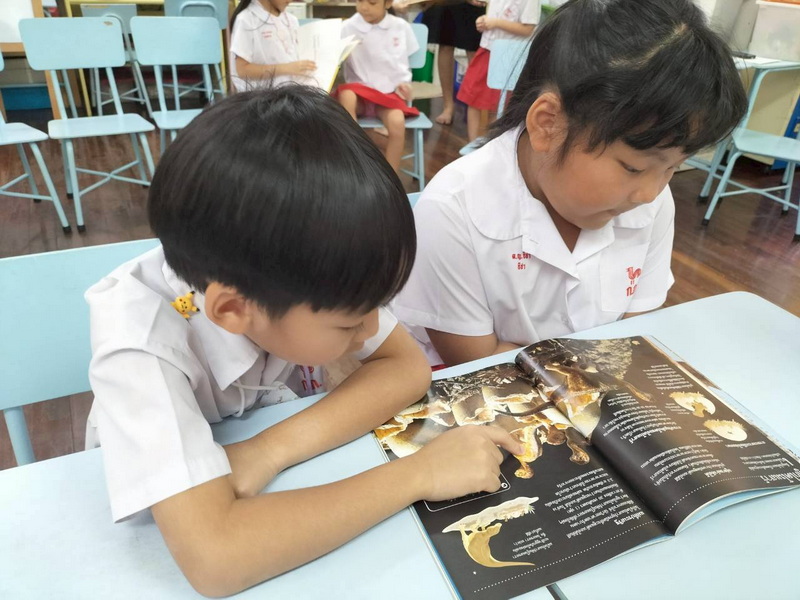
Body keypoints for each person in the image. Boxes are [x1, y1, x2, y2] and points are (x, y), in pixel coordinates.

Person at [85, 87, 522, 596]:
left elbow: (405, 365)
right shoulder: (140, 345)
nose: (370, 330)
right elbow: (215, 558)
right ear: (233, 310)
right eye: (349, 325)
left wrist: (268, 450)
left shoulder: (286, 274)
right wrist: (420, 475)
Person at [392, 0, 748, 367]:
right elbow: (477, 361)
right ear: (548, 125)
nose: (650, 194)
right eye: (632, 168)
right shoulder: (453, 210)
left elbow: (636, 328)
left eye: (672, 167)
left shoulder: (651, 200)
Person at [337, 0, 420, 173]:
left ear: (387, 3)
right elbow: (334, 59)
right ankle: (356, 163)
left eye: (372, 2)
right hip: (359, 93)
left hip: (388, 94)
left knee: (397, 122)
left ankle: (390, 178)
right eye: (359, 1)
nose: (364, 7)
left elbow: (404, 63)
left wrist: (405, 84)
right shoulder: (347, 27)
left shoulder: (401, 27)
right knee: (346, 95)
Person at [457, 0, 539, 141]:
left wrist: (496, 23)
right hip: (486, 48)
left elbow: (528, 29)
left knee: (497, 104)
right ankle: (472, 144)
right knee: (473, 97)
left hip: (506, 54)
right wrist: (484, 21)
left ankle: (489, 145)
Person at [421, 0, 486, 125]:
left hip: (473, 6)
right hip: (445, 3)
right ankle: (448, 106)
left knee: (474, 49)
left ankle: (476, 108)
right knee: (445, 44)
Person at [229, 0, 316, 92]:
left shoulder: (291, 20)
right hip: (261, 96)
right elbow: (242, 70)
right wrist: (287, 68)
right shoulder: (246, 20)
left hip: (289, 91)